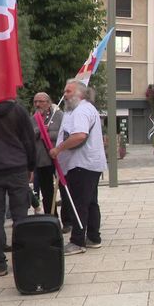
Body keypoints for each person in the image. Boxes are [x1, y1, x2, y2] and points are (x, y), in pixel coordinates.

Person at [49, 79, 107, 255]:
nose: (64, 95)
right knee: (89, 202)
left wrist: (58, 149)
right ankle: (93, 237)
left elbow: (80, 135)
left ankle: (78, 241)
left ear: (79, 94)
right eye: (64, 91)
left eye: (68, 92)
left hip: (82, 164)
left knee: (79, 203)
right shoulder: (80, 109)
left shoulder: (81, 110)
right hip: (86, 164)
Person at [0, 100, 36, 276]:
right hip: (17, 168)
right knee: (21, 216)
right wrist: (31, 166)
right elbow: (29, 140)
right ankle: (23, 259)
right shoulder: (17, 110)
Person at [31, 92, 72, 233]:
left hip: (59, 157)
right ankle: (52, 220)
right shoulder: (34, 118)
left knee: (64, 190)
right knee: (47, 193)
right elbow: (29, 135)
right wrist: (39, 131)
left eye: (41, 101)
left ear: (48, 102)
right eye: (35, 101)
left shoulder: (59, 116)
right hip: (42, 160)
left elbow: (65, 134)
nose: (37, 104)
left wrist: (48, 133)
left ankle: (68, 221)